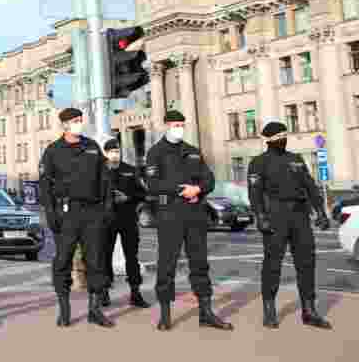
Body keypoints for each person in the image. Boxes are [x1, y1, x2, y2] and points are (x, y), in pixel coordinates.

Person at [145, 110, 232, 332]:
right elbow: (153, 184)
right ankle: (165, 315)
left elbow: (209, 179)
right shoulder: (156, 153)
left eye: (182, 124)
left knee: (200, 264)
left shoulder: (193, 152)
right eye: (175, 124)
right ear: (166, 126)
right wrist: (180, 190)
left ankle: (206, 313)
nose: (179, 128)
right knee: (167, 264)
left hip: (195, 215)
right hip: (169, 215)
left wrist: (198, 189)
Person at [249, 121, 332, 329]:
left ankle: (309, 310)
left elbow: (310, 186)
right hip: (275, 215)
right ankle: (269, 310)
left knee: (306, 262)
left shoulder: (295, 159)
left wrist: (320, 211)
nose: (284, 141)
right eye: (279, 138)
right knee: (272, 264)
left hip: (299, 215)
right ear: (270, 141)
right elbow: (255, 193)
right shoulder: (259, 162)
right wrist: (260, 216)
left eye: (285, 137)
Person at [39, 108, 114, 328]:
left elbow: (105, 180)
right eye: (74, 121)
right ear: (64, 125)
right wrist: (51, 214)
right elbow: (45, 186)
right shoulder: (53, 151)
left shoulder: (91, 147)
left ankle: (95, 309)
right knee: (62, 261)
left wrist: (106, 209)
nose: (79, 124)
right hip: (67, 212)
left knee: (96, 261)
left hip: (92, 212)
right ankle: (64, 310)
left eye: (80, 120)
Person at [101, 138, 149, 308]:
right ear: (106, 153)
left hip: (128, 218)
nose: (116, 154)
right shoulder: (99, 171)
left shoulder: (130, 170)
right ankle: (104, 292)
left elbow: (143, 193)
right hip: (107, 220)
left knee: (132, 257)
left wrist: (128, 198)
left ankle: (135, 293)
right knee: (104, 256)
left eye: (118, 151)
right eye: (112, 151)